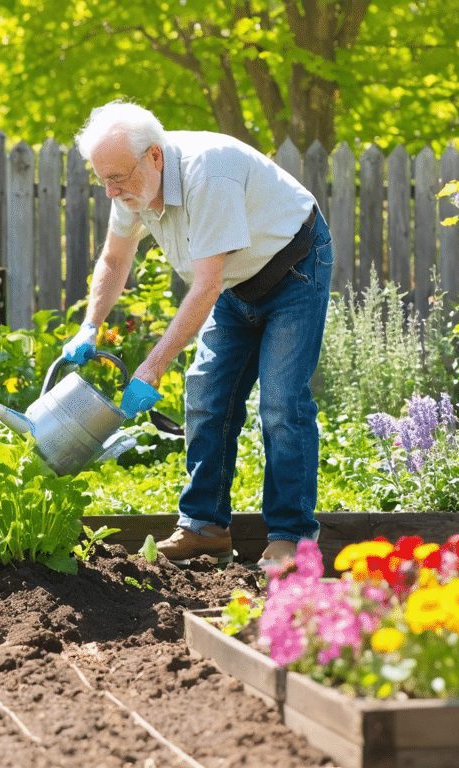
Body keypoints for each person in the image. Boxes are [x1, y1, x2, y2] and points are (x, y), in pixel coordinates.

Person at [63, 100, 332, 569]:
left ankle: (292, 537)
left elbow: (206, 286)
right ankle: (204, 528)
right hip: (233, 282)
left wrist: (152, 367)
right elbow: (114, 259)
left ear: (154, 156)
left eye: (118, 178)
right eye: (102, 179)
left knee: (282, 403)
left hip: (294, 270)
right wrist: (90, 324)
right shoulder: (132, 189)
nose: (110, 192)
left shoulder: (209, 174)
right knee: (207, 394)